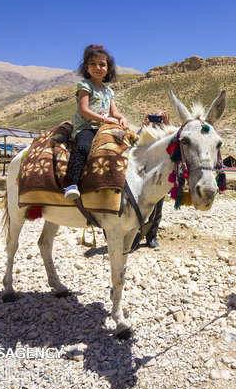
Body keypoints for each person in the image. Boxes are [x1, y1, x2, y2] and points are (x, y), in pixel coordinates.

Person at [64, 45, 129, 200]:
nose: (97, 67)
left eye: (102, 64)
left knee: (124, 146)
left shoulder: (109, 91)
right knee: (84, 146)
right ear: (86, 67)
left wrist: (121, 118)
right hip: (86, 127)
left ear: (109, 68)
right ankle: (72, 184)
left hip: (103, 128)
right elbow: (83, 110)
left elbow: (114, 112)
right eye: (93, 63)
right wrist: (106, 119)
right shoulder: (85, 86)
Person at [131, 110, 171, 249]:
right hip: (143, 176)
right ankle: (134, 238)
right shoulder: (145, 130)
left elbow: (175, 143)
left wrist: (167, 124)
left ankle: (151, 238)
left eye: (160, 117)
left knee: (157, 210)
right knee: (138, 208)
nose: (157, 120)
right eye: (156, 117)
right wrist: (144, 127)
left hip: (159, 176)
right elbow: (134, 143)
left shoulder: (168, 132)